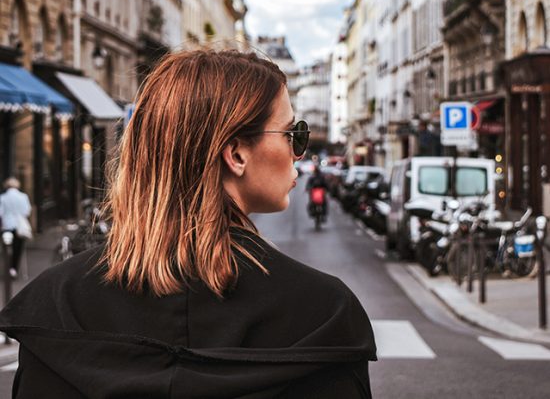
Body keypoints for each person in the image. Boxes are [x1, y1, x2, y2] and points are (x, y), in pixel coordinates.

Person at [0, 49, 376, 398]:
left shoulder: (57, 306)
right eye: (294, 134)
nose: (300, 150)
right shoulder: (321, 313)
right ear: (236, 154)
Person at [0, 177, 31, 278]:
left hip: (7, 226)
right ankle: (14, 269)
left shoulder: (3, 197)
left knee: (6, 248)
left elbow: (0, 213)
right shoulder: (23, 196)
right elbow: (27, 212)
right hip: (19, 227)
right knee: (18, 248)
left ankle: (7, 267)